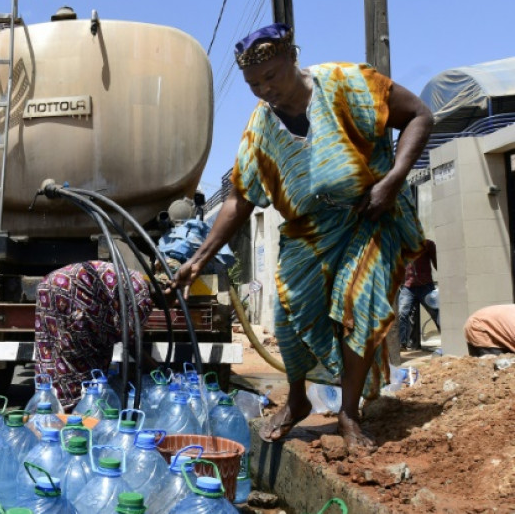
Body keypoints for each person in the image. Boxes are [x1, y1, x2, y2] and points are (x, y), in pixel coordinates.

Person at [171, 24, 433, 450]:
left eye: (272, 76)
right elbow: (240, 199)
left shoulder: (348, 83)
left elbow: (420, 114)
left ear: (292, 57)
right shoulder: (260, 127)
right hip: (308, 231)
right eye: (254, 84)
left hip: (367, 217)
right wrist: (200, 257)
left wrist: (393, 180)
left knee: (360, 305)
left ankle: (349, 413)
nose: (265, 89)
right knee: (291, 318)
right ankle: (296, 400)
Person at [35, 261, 155, 410]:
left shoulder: (136, 279)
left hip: (52, 285)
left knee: (51, 348)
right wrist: (155, 369)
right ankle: (73, 409)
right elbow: (129, 340)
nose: (175, 303)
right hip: (70, 292)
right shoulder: (143, 298)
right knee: (79, 358)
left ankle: (47, 403)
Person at [398, 238, 439, 350]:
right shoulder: (402, 245)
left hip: (425, 285)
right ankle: (402, 343)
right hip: (408, 287)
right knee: (402, 313)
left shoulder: (428, 244)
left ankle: (448, 340)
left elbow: (437, 263)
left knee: (436, 313)